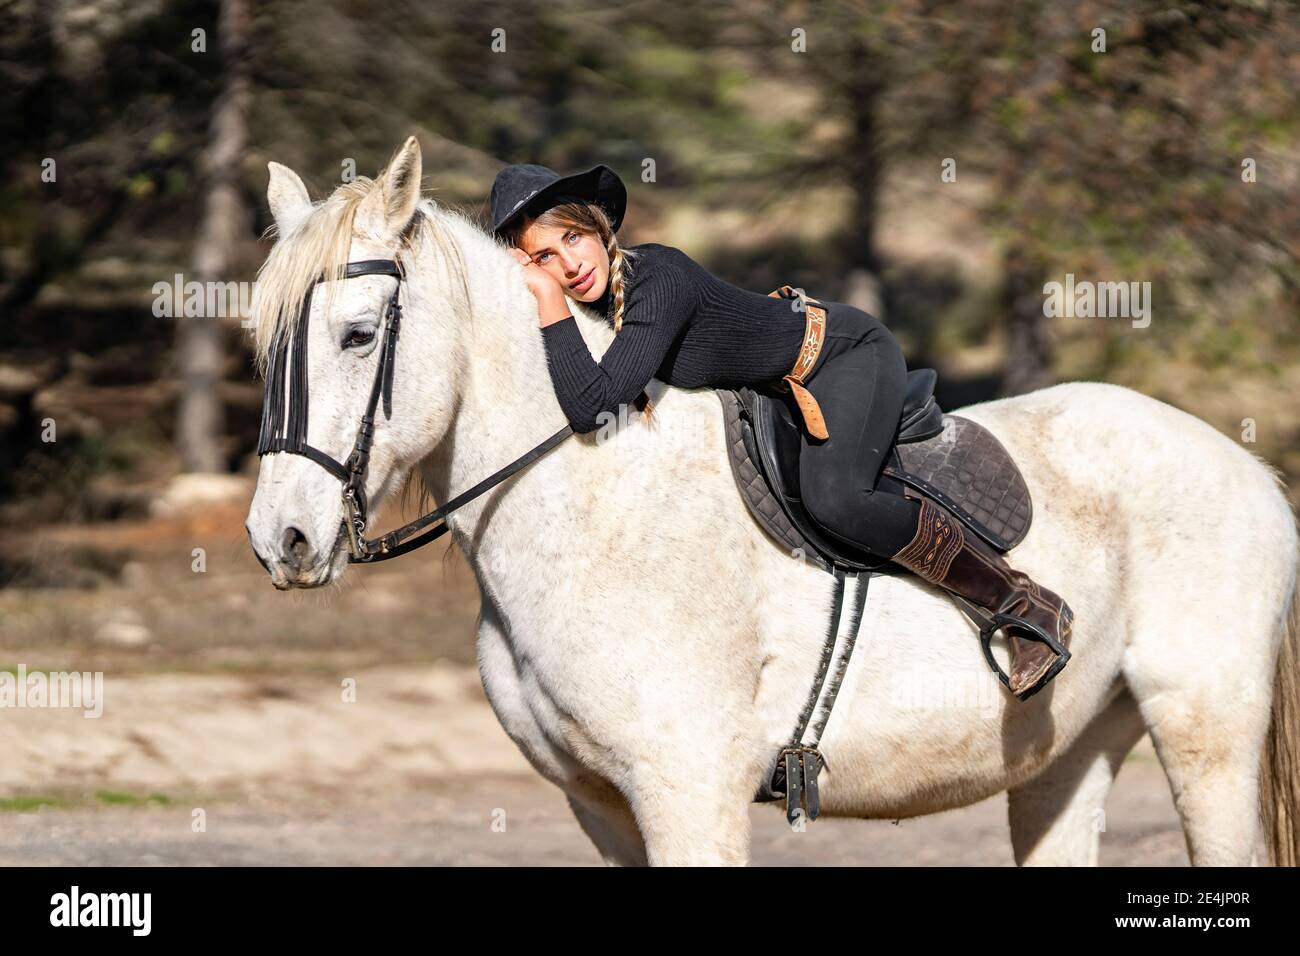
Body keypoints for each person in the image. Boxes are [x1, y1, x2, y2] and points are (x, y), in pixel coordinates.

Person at [488, 162, 1072, 699]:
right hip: (781, 388)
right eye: (541, 259)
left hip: (840, 354)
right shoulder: (600, 310)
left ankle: (1021, 603)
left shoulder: (654, 276)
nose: (567, 265)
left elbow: (592, 408)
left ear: (597, 229)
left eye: (571, 238)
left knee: (838, 498)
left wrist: (545, 298)